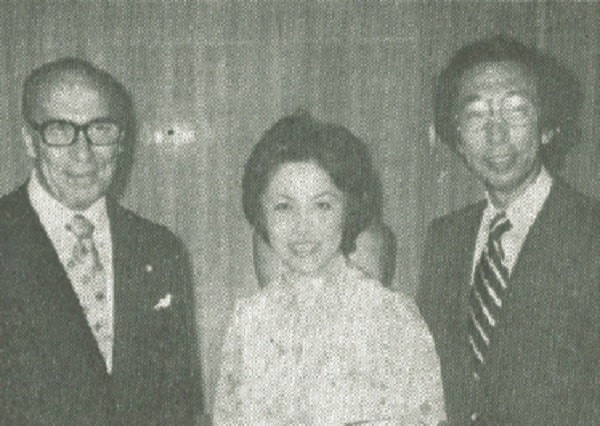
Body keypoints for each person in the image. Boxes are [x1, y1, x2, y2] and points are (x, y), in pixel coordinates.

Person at [0, 57, 200, 425]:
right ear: (29, 140)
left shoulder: (161, 250)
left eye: (100, 129)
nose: (83, 153)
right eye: (60, 130)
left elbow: (181, 407)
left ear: (121, 141)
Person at [214, 112, 445, 424]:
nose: (302, 227)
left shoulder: (393, 317)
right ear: (262, 215)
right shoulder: (248, 322)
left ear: (348, 209)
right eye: (284, 207)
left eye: (322, 205)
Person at [417, 36, 600, 424]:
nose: (495, 132)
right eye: (477, 114)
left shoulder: (591, 233)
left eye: (516, 111)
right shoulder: (443, 240)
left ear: (547, 127)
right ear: (459, 139)